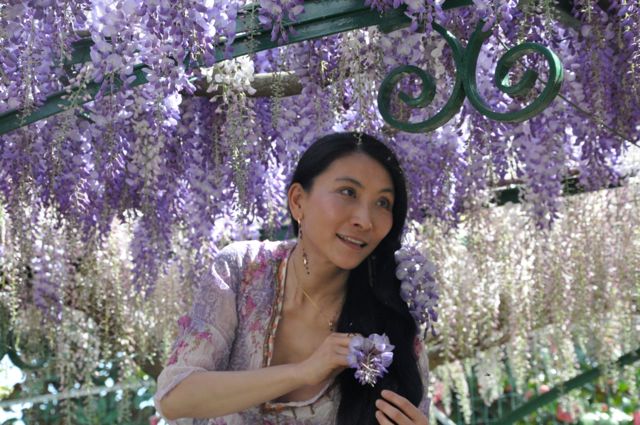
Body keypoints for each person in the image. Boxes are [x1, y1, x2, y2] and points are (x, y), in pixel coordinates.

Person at [154, 132, 431, 424]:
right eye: (348, 192)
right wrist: (305, 371)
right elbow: (174, 397)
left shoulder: (391, 321)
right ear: (298, 201)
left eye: (383, 203)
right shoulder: (243, 269)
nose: (365, 220)